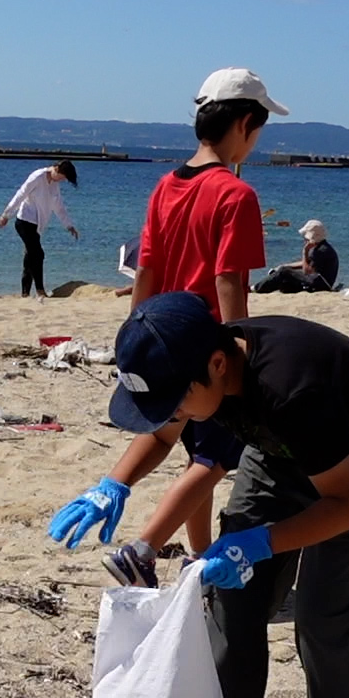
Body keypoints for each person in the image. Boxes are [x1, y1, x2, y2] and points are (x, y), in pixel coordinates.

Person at [54, 292, 349, 698]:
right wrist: (113, 484)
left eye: (176, 400)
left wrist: (259, 543)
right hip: (276, 454)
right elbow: (165, 432)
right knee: (236, 600)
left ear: (218, 367)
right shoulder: (204, 370)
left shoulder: (291, 388)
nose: (172, 414)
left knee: (322, 621)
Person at [81, 67, 287, 586]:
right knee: (214, 459)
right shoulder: (235, 194)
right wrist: (243, 349)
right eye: (259, 131)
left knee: (188, 448)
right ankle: (143, 550)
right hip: (209, 349)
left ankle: (200, 557)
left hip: (162, 340)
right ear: (244, 123)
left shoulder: (166, 185)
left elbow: (145, 271)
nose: (257, 143)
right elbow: (228, 281)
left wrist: (134, 341)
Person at [0, 160, 79, 298]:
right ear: (56, 169)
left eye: (64, 179)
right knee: (38, 254)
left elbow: (59, 207)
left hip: (37, 225)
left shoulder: (54, 185)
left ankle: (25, 293)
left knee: (30, 257)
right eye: (62, 177)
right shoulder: (38, 176)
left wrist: (69, 225)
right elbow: (21, 194)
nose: (61, 180)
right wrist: (6, 215)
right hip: (24, 221)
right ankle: (40, 290)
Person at [253, 219, 338, 294]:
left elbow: (307, 271)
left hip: (319, 284)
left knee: (284, 272)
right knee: (284, 281)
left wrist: (305, 252)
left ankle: (255, 288)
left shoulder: (321, 250)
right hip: (318, 282)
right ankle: (262, 287)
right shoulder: (322, 246)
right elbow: (309, 264)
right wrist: (287, 266)